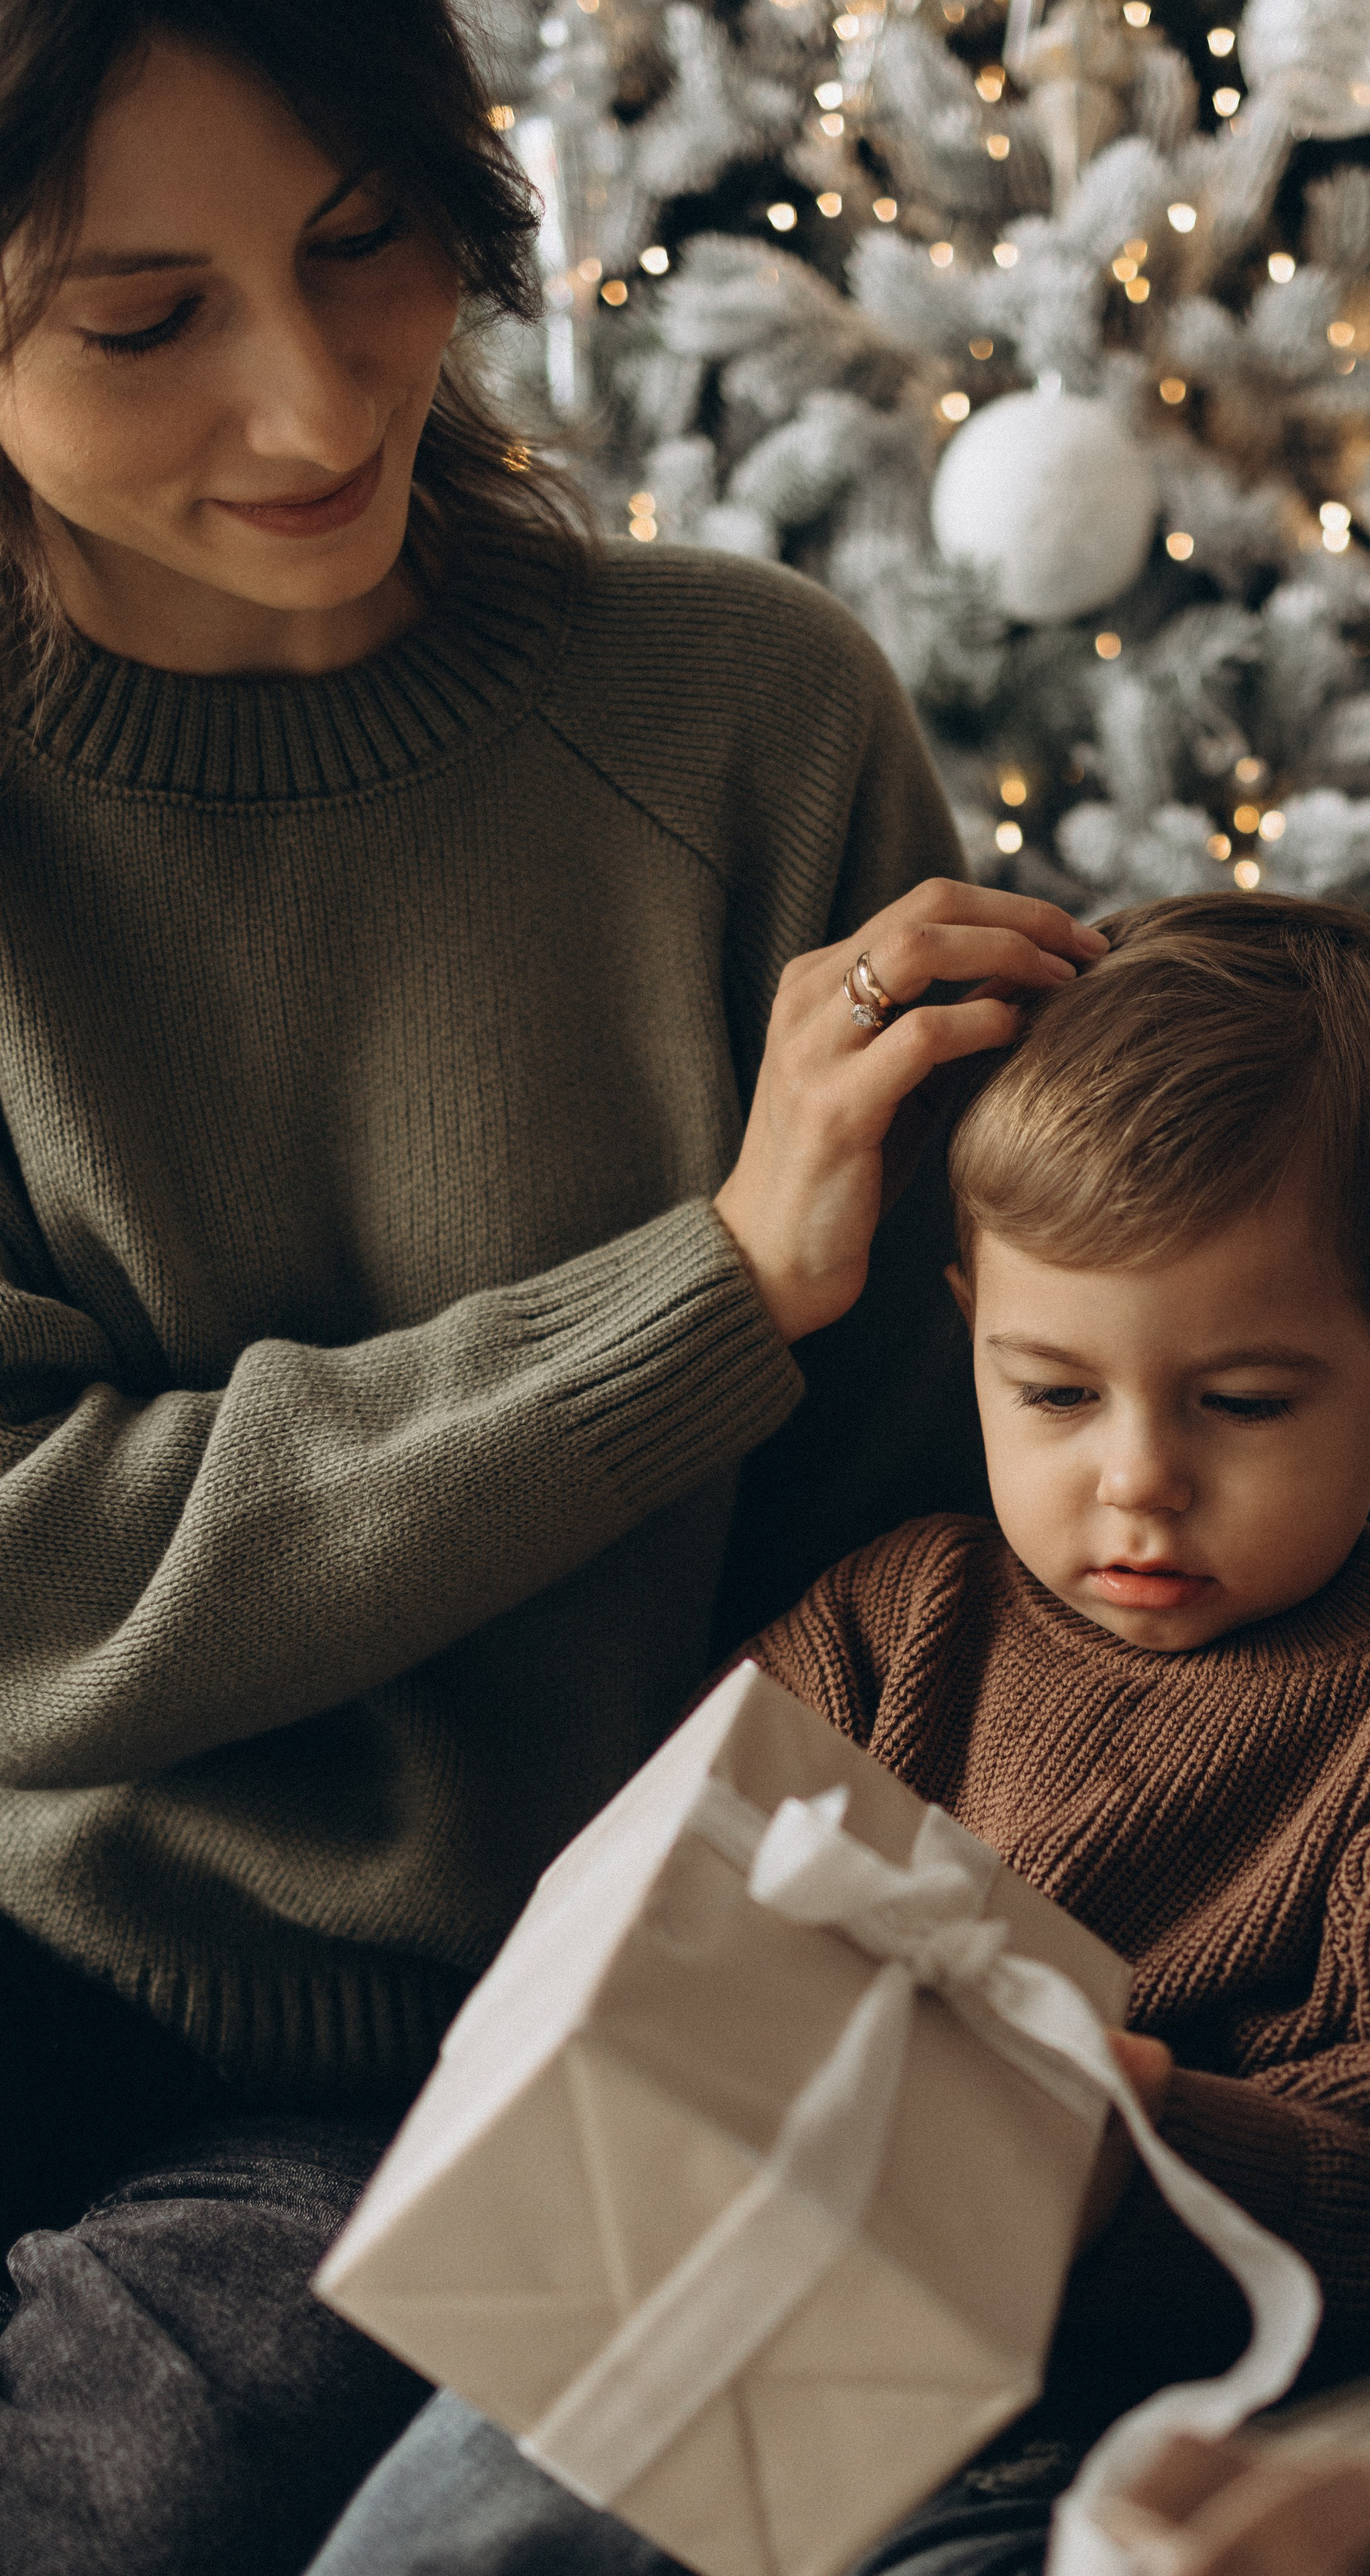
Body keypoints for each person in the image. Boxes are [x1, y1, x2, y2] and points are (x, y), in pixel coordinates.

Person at [0, 3, 1106, 2569]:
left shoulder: (750, 718)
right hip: (65, 1993)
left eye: (363, 244)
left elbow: (943, 1565)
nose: (308, 402)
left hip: (642, 2020)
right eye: (142, 320)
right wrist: (700, 1293)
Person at [310, 894, 1370, 2575]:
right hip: (748, 2306)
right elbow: (674, 1905)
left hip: (1119, 2422)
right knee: (482, 2466)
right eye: (1051, 1390)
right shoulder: (902, 1614)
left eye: (1241, 1402)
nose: (1136, 1480)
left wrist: (1153, 2142)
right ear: (968, 1321)